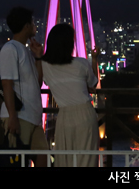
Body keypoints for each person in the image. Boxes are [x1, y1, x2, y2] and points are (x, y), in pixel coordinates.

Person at [40, 23, 100, 167]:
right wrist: (94, 59)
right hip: (85, 113)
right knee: (86, 159)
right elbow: (93, 83)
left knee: (64, 159)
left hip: (64, 116)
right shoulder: (81, 64)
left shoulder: (44, 65)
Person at [0, 6, 49, 167]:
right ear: (26, 26)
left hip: (33, 118)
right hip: (19, 117)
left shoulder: (26, 51)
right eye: (33, 22)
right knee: (16, 162)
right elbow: (6, 83)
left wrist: (39, 57)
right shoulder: (10, 49)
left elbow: (37, 83)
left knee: (44, 159)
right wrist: (12, 117)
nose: (35, 25)